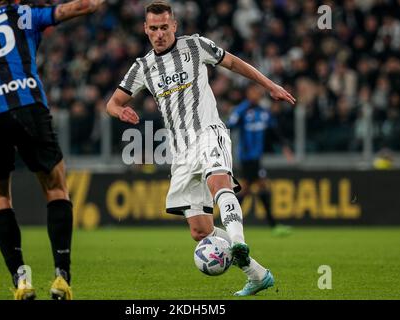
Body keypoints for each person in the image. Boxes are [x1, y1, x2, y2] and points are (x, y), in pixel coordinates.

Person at [106, 0, 296, 296]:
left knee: (219, 182)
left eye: (164, 27)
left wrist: (268, 85)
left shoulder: (195, 46)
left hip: (209, 132)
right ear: (145, 29)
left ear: (174, 26)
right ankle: (258, 275)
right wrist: (120, 112)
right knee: (200, 231)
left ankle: (237, 241)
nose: (159, 34)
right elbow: (112, 102)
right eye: (153, 29)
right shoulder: (142, 67)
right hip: (180, 152)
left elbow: (233, 62)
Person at [0, 0, 105, 300]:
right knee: (57, 189)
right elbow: (76, 8)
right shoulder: (23, 14)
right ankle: (61, 276)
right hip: (28, 107)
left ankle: (20, 278)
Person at [227, 83, 294, 236]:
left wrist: (285, 147)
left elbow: (275, 131)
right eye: (253, 91)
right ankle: (272, 225)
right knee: (254, 188)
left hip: (257, 158)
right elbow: (229, 126)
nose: (256, 94)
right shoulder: (241, 111)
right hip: (246, 157)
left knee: (251, 189)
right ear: (248, 93)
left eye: (258, 92)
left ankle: (231, 222)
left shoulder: (264, 112)